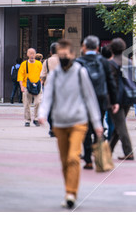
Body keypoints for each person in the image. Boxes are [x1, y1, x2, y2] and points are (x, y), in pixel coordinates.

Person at [38, 39, 103, 209]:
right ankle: (69, 190)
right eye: (61, 55)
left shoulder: (80, 72)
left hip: (78, 122)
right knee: (65, 160)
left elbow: (90, 97)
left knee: (74, 157)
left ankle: (70, 193)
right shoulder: (54, 74)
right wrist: (42, 114)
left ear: (73, 54)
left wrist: (96, 123)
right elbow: (48, 96)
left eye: (66, 54)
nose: (64, 57)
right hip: (59, 123)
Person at [77, 35, 119, 170]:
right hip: (101, 98)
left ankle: (88, 158)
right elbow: (111, 82)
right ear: (97, 47)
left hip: (83, 100)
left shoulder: (78, 62)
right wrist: (114, 100)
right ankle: (99, 156)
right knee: (98, 125)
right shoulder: (104, 61)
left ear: (83, 47)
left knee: (86, 128)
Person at [108, 38, 135, 160]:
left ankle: (128, 151)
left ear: (112, 49)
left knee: (120, 125)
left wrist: (113, 100)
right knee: (119, 124)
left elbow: (112, 84)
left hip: (116, 98)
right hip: (129, 96)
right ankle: (108, 150)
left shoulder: (112, 63)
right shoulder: (129, 62)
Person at [17, 48, 43, 127]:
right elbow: (20, 76)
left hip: (37, 86)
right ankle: (27, 120)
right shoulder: (24, 64)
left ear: (35, 55)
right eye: (30, 53)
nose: (32, 55)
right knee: (26, 104)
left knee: (38, 102)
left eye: (33, 53)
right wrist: (21, 86)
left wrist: (41, 83)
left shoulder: (39, 64)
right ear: (27, 55)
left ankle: (36, 118)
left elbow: (42, 74)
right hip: (26, 86)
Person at [41, 42, 60, 137]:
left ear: (51, 51)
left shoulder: (47, 61)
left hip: (49, 87)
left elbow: (42, 75)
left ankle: (52, 128)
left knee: (50, 108)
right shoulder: (63, 60)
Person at [101, 45, 115, 140]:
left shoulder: (99, 64)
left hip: (100, 95)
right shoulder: (115, 65)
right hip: (111, 96)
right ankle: (110, 139)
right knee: (111, 120)